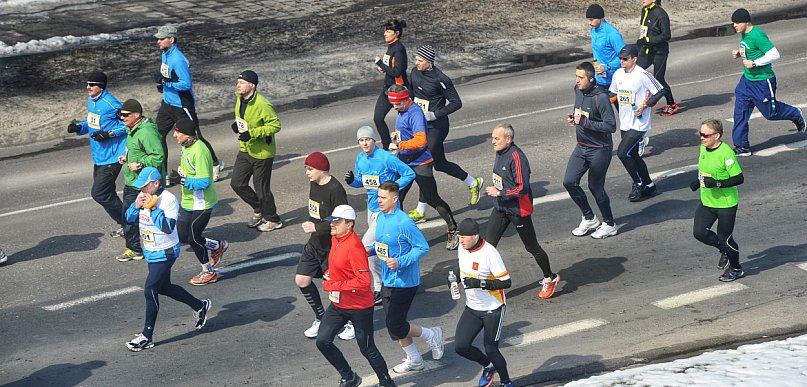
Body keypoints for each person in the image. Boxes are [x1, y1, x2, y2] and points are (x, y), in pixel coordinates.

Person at [123, 167, 211, 351]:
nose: (142, 190)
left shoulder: (168, 200)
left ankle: (146, 336)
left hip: (166, 252)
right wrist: (136, 206)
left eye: (145, 186)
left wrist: (153, 208)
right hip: (151, 251)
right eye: (141, 187)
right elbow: (129, 219)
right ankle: (199, 306)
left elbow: (168, 227)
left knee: (150, 290)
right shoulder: (143, 196)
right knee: (164, 287)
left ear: (156, 183)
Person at [315, 205, 397, 387]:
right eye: (332, 221)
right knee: (322, 341)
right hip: (338, 304)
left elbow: (363, 281)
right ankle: (349, 377)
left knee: (366, 347)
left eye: (337, 222)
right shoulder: (336, 239)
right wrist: (330, 273)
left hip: (359, 307)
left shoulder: (354, 246)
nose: (332, 224)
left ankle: (386, 382)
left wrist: (333, 284)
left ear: (349, 224)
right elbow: (340, 267)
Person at [371, 181, 444, 374]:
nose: (379, 201)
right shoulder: (381, 217)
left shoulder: (404, 222)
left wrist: (400, 262)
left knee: (395, 324)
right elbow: (381, 245)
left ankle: (431, 334)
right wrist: (368, 251)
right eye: (378, 197)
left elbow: (422, 247)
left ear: (394, 199)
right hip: (388, 279)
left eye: (383, 198)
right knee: (395, 324)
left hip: (404, 281)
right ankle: (415, 360)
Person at [486, 123, 560, 299]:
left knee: (531, 247)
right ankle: (491, 283)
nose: (492, 142)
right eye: (492, 138)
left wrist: (500, 192)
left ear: (508, 139)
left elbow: (522, 188)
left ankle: (550, 277)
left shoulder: (517, 157)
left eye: (496, 138)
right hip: (501, 207)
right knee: (488, 247)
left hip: (518, 210)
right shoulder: (500, 152)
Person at [345, 126, 416, 304]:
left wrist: (392, 189)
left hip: (387, 212)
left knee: (366, 247)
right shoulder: (360, 159)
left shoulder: (386, 158)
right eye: (361, 140)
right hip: (372, 209)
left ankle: (379, 286)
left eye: (367, 139)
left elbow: (409, 173)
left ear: (374, 140)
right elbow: (361, 182)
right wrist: (352, 181)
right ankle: (396, 281)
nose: (364, 143)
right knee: (383, 248)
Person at [408, 45, 483, 210]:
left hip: (437, 127)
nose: (416, 63)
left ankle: (421, 209)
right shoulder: (414, 73)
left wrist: (434, 115)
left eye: (420, 60)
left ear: (429, 62)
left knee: (423, 163)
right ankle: (473, 182)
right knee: (440, 164)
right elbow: (412, 95)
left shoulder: (441, 79)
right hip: (420, 125)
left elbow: (456, 103)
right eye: (416, 59)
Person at [387, 84, 459, 250]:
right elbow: (407, 132)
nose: (394, 107)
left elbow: (421, 141)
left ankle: (453, 229)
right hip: (405, 162)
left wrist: (399, 145)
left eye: (397, 104)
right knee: (396, 198)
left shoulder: (415, 113)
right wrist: (397, 136)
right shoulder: (403, 109)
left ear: (406, 99)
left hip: (420, 163)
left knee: (432, 198)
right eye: (392, 104)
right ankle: (403, 235)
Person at [729, 8, 805, 157]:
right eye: (733, 23)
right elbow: (751, 49)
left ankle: (795, 113)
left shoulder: (757, 35)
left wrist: (755, 63)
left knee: (771, 113)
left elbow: (775, 54)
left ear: (746, 22)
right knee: (740, 112)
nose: (734, 26)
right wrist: (740, 53)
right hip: (747, 81)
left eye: (737, 23)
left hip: (762, 81)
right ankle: (742, 146)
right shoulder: (744, 33)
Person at [152, 25, 223, 182]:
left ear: (171, 39)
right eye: (158, 38)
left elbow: (185, 84)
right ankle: (163, 174)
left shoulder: (178, 59)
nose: (158, 41)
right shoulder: (165, 54)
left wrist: (166, 82)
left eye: (161, 38)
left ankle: (214, 164)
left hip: (182, 105)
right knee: (158, 136)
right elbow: (169, 76)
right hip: (167, 104)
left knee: (194, 137)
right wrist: (164, 85)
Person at [66, 70, 128, 242]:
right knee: (107, 192)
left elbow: (128, 124)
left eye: (92, 84)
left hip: (113, 156)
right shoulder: (91, 101)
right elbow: (93, 123)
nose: (88, 87)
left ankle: (130, 224)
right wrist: (79, 127)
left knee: (100, 193)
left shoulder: (111, 104)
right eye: (87, 84)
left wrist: (109, 134)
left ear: (101, 86)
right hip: (99, 156)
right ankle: (127, 224)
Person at [296, 152, 352, 340]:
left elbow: (342, 220)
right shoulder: (314, 184)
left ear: (321, 169)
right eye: (306, 169)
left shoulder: (335, 189)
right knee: (302, 280)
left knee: (337, 287)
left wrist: (317, 227)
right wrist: (312, 224)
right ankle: (320, 318)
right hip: (315, 244)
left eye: (310, 169)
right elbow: (315, 210)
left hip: (332, 247)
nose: (307, 173)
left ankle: (351, 322)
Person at [454, 218, 514, 387]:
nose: (460, 240)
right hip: (472, 307)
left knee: (491, 349)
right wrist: (455, 277)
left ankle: (506, 382)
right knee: (461, 346)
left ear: (475, 236)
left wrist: (479, 283)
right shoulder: (462, 247)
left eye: (464, 237)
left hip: (492, 309)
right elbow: (462, 264)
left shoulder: (490, 254)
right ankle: (488, 367)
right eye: (459, 236)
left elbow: (506, 282)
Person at [169, 119, 229, 286]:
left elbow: (204, 182)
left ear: (188, 135)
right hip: (188, 201)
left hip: (202, 203)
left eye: (178, 132)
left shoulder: (200, 151)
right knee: (182, 235)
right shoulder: (186, 146)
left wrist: (182, 180)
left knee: (194, 238)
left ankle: (209, 272)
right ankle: (217, 246)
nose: (174, 135)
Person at [564, 62, 618, 239]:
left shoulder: (601, 97)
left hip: (600, 150)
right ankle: (590, 218)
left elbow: (610, 126)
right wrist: (574, 119)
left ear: (591, 79)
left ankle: (610, 224)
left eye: (581, 77)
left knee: (595, 187)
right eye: (576, 76)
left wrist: (584, 122)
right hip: (582, 146)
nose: (577, 80)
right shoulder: (578, 90)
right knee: (569, 182)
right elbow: (581, 113)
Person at [690, 119, 745, 282]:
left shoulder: (726, 153)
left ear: (717, 136)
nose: (702, 138)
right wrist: (698, 181)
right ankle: (724, 251)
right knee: (699, 233)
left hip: (726, 204)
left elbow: (739, 178)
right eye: (700, 134)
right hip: (707, 202)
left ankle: (736, 268)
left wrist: (716, 183)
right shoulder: (704, 147)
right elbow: (707, 170)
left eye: (705, 135)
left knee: (725, 238)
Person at [229, 70, 284, 231]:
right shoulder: (240, 98)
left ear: (252, 85)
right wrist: (237, 125)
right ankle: (259, 209)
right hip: (245, 148)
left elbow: (275, 126)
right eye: (238, 82)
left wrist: (252, 133)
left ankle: (273, 219)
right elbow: (244, 117)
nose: (238, 85)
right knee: (237, 183)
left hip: (262, 153)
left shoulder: (263, 104)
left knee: (261, 189)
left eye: (242, 82)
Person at [610, 44, 665, 202]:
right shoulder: (618, 74)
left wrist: (645, 105)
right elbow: (612, 94)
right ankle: (649, 185)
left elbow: (661, 90)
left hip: (639, 123)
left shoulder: (642, 74)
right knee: (633, 155)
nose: (622, 61)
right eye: (620, 58)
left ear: (634, 59)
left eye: (625, 59)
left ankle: (638, 183)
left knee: (622, 153)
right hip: (625, 122)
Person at [116, 99, 165, 262]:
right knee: (130, 215)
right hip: (133, 181)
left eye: (125, 115)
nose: (122, 118)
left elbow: (158, 156)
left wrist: (140, 164)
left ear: (137, 115)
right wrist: (127, 158)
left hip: (145, 183)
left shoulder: (146, 132)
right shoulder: (132, 129)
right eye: (121, 114)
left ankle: (141, 248)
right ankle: (135, 248)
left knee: (141, 215)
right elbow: (138, 150)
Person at [637, 0, 678, 116]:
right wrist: (642, 42)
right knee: (636, 71)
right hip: (646, 51)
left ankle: (672, 104)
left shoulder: (661, 14)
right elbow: (645, 30)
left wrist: (648, 40)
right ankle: (653, 95)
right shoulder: (645, 10)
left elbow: (666, 35)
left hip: (659, 53)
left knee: (659, 79)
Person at [372, 19, 408, 150]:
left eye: (388, 31)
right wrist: (383, 68)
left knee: (403, 123)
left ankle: (405, 146)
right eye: (385, 31)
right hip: (387, 89)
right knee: (378, 118)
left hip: (398, 90)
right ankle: (387, 146)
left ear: (396, 33)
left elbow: (397, 71)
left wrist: (380, 63)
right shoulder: (391, 46)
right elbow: (392, 67)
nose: (385, 34)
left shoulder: (399, 49)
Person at [586, 4, 625, 95]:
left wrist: (607, 67)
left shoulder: (612, 34)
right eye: (588, 20)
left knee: (615, 103)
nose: (589, 23)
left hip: (613, 79)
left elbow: (624, 56)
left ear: (600, 18)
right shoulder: (593, 30)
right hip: (599, 78)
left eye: (591, 19)